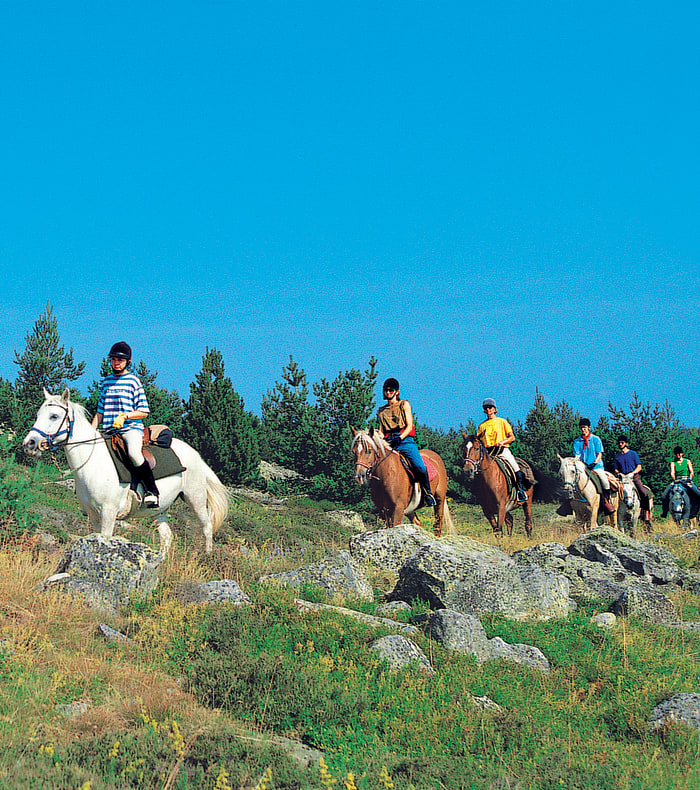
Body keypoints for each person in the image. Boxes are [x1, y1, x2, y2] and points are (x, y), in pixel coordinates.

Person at [91, 341, 159, 507]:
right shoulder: (106, 382)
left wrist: (125, 415)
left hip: (130, 429)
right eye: (113, 359)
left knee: (134, 454)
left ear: (128, 362)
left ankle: (152, 491)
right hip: (108, 430)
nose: (116, 363)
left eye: (119, 360)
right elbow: (100, 411)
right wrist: (91, 431)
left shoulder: (133, 381)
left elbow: (144, 411)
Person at [376, 377, 436, 507]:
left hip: (405, 440)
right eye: (386, 390)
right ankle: (380, 500)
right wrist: (377, 439)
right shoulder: (381, 411)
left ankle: (427, 493)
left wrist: (399, 438)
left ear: (396, 392)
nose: (388, 393)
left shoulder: (404, 404)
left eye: (391, 390)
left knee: (419, 466)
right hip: (389, 442)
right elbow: (381, 431)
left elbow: (409, 426)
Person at [476, 398, 527, 503]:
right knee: (476, 471)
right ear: (484, 411)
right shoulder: (481, 426)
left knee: (515, 467)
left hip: (501, 450)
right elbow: (478, 441)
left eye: (490, 407)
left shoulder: (502, 421)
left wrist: (503, 442)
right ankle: (477, 494)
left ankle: (520, 491)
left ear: (494, 409)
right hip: (488, 453)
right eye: (486, 408)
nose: (488, 409)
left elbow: (512, 437)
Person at [573, 418, 614, 514]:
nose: (583, 429)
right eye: (581, 428)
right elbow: (577, 455)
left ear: (589, 428)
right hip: (583, 467)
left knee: (605, 481)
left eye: (585, 427)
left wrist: (594, 463)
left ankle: (606, 502)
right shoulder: (577, 441)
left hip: (596, 466)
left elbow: (600, 454)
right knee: (572, 481)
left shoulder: (596, 439)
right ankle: (570, 503)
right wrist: (578, 462)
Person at [613, 435, 650, 512]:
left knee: (643, 492)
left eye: (622, 443)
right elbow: (616, 469)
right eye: (619, 443)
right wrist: (619, 473)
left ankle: (646, 513)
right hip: (622, 478)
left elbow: (639, 466)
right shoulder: (617, 456)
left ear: (627, 444)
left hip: (633, 477)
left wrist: (633, 473)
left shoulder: (633, 454)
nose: (620, 444)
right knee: (612, 492)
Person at [661, 446, 700, 517]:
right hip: (677, 480)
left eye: (679, 453)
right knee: (664, 495)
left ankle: (697, 510)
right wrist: (674, 479)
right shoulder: (673, 463)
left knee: (698, 493)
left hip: (686, 479)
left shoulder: (687, 461)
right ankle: (665, 512)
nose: (678, 455)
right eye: (676, 454)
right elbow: (672, 473)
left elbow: (692, 472)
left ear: (682, 453)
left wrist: (690, 479)